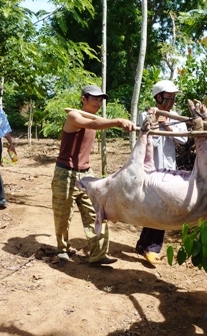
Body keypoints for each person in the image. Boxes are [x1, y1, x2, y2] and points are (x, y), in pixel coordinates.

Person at [52, 84, 135, 265]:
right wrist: (118, 121)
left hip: (86, 173)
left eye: (100, 100)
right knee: (63, 215)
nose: (98, 102)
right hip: (65, 173)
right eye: (94, 99)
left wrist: (118, 122)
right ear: (83, 99)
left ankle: (98, 254)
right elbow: (93, 124)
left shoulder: (95, 117)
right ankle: (62, 249)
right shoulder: (73, 116)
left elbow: (97, 122)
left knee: (96, 213)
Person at [135, 80, 188, 264]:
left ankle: (147, 245)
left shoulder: (175, 116)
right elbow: (142, 138)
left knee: (163, 207)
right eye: (168, 97)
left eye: (173, 97)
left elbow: (183, 140)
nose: (171, 100)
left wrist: (168, 125)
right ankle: (148, 246)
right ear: (158, 97)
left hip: (168, 169)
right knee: (153, 206)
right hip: (150, 169)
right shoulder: (144, 115)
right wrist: (153, 122)